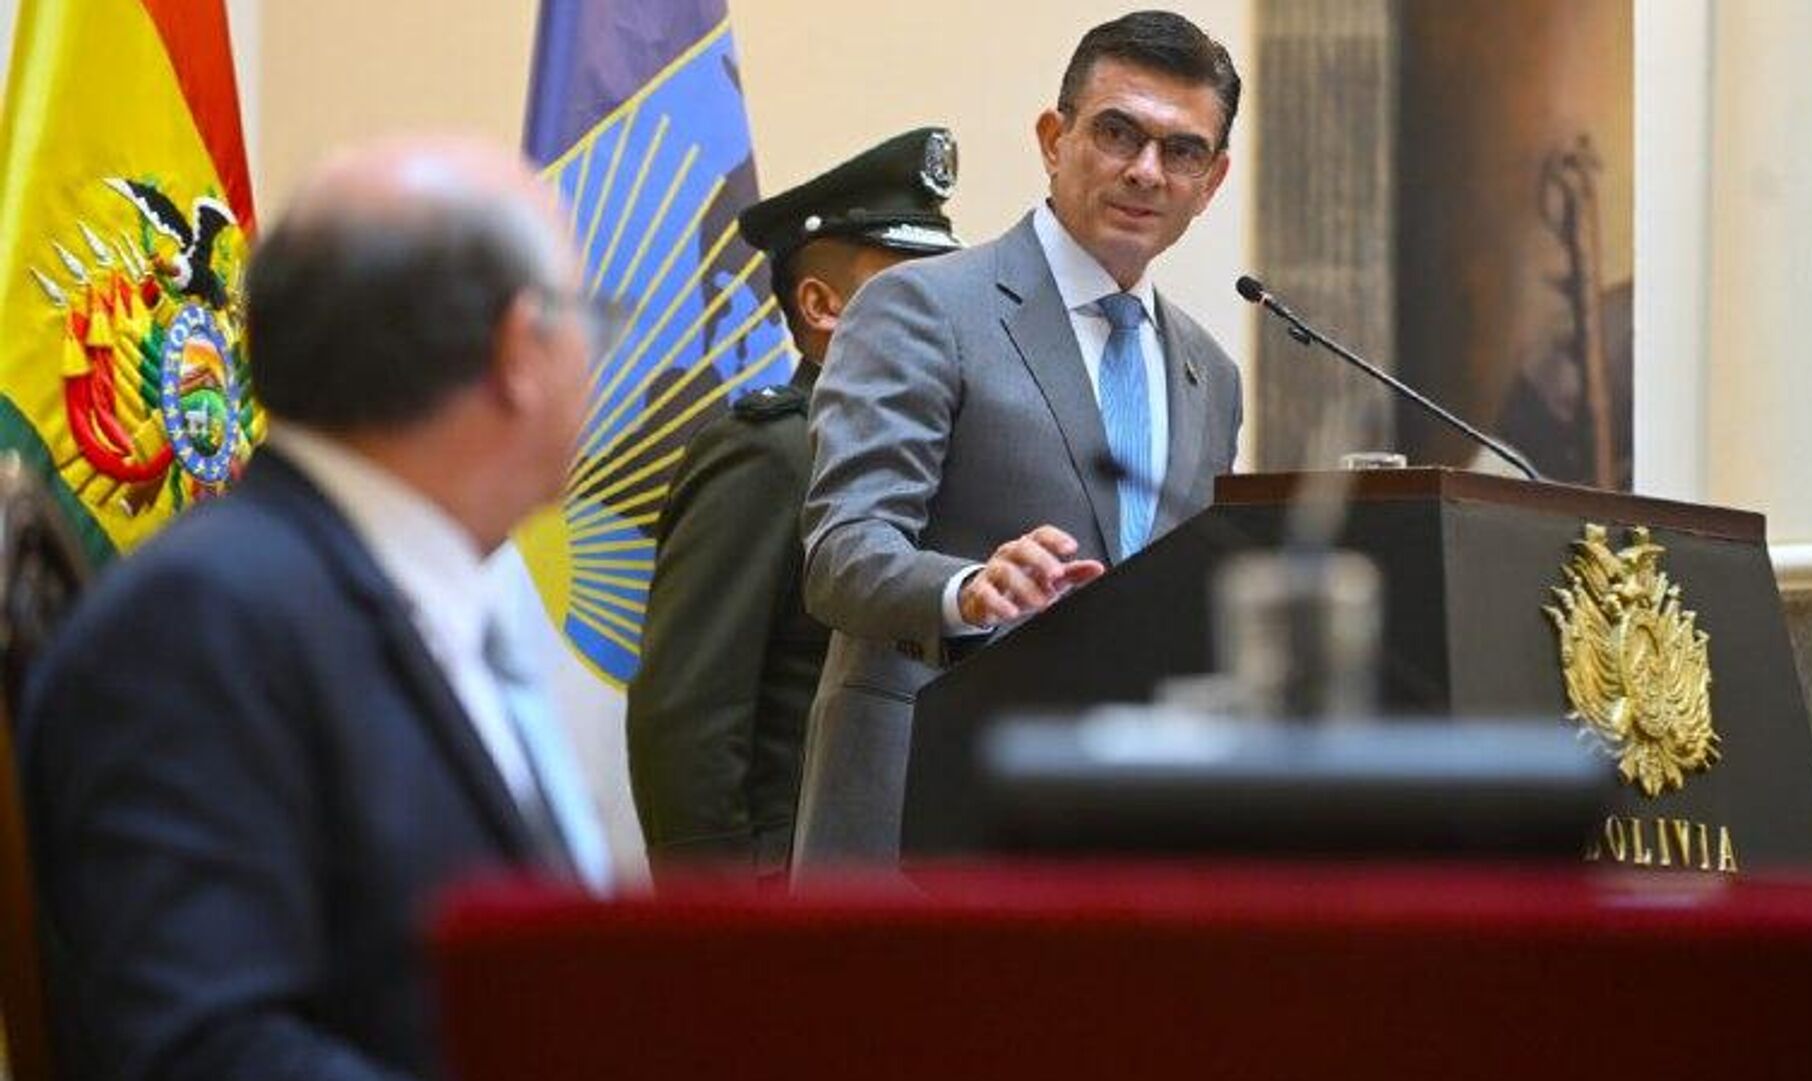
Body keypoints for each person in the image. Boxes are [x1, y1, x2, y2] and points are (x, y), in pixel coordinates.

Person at [16, 136, 610, 1081]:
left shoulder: (423, 587)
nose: (596, 359)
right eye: (589, 319)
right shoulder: (196, 625)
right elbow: (202, 1051)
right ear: (518, 351)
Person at [794, 10, 1245, 872]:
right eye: (1118, 133)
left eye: (1182, 150)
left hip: (1120, 840)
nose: (1146, 170)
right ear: (1053, 138)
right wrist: (968, 589)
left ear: (1212, 180)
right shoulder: (924, 308)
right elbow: (843, 553)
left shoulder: (1209, 373)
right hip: (924, 825)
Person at [626, 128, 962, 883]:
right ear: (821, 305)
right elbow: (689, 711)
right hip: (785, 884)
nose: (941, 312)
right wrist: (717, 918)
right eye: (909, 291)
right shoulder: (775, 454)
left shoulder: (941, 449)